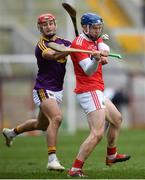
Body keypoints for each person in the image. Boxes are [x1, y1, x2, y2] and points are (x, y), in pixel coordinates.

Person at [2, 13, 71, 171]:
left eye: (51, 23)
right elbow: (52, 55)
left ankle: (12, 132)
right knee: (57, 118)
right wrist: (70, 51)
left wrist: (95, 54)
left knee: (42, 125)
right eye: (44, 25)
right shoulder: (41, 45)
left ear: (55, 25)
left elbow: (80, 52)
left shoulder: (65, 43)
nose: (48, 27)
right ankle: (52, 159)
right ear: (39, 28)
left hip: (57, 90)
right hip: (43, 89)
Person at [68, 13, 130, 177]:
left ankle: (111, 155)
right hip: (88, 90)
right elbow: (88, 71)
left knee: (117, 119)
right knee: (97, 133)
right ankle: (75, 169)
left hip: (97, 90)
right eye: (94, 28)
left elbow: (103, 45)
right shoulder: (78, 44)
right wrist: (95, 59)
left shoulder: (96, 38)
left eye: (99, 28)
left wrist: (102, 53)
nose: (97, 31)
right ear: (85, 27)